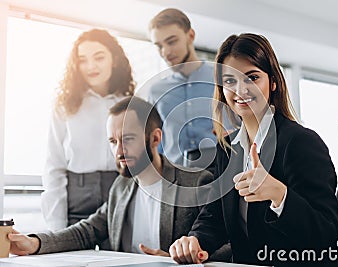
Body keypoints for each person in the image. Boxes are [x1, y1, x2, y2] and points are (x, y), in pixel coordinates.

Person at [169, 33, 338, 266]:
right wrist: (195, 241)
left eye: (251, 77)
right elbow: (214, 216)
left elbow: (329, 236)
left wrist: (280, 195)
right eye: (230, 81)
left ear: (272, 82)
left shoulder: (301, 142)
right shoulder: (227, 149)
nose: (240, 89)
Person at [9, 96, 230, 258]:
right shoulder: (121, 187)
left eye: (128, 139)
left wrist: (187, 260)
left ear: (155, 138)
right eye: (113, 142)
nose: (119, 152)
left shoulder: (196, 182)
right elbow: (87, 231)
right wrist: (34, 243)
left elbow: (228, 245)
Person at [41, 28, 135, 231]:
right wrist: (57, 225)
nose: (90, 66)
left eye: (99, 57)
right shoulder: (65, 106)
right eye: (82, 59)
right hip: (76, 195)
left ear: (114, 60)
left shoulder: (130, 104)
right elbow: (53, 165)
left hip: (120, 189)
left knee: (120, 261)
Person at [146, 8, 232, 166]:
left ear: (190, 36)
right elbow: (154, 142)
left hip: (223, 170)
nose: (166, 51)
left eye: (172, 41)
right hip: (176, 178)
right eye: (159, 46)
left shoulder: (223, 77)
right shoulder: (155, 91)